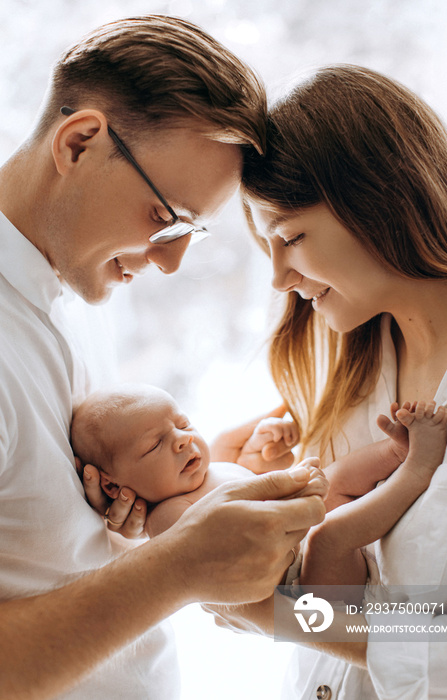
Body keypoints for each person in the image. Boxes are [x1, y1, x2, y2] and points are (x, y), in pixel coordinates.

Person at [0, 16, 328, 700]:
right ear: (80, 142)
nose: (279, 280)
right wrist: (186, 560)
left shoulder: (67, 294)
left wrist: (182, 483)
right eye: (165, 216)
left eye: (193, 230)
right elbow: (411, 623)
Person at [207, 64, 447, 699]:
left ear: (381, 198)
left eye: (291, 237)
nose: (278, 278)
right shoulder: (354, 361)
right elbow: (336, 584)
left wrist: (290, 619)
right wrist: (221, 490)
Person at [71, 384, 447, 596]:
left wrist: (260, 465)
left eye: (182, 424)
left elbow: (249, 490)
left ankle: (397, 451)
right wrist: (291, 489)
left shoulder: (208, 470)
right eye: (154, 445)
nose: (183, 442)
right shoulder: (167, 520)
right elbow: (233, 539)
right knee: (330, 535)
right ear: (113, 484)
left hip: (302, 541)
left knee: (335, 476)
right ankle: (417, 471)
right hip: (309, 589)